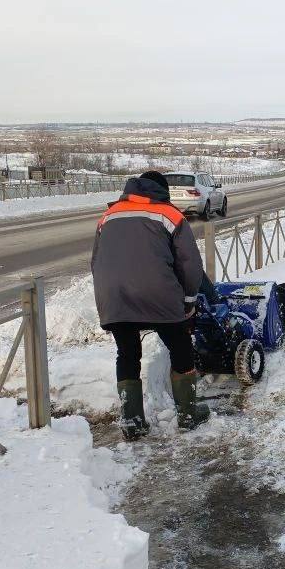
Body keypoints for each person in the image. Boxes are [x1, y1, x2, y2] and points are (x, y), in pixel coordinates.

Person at [91, 170, 210, 440]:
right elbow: (190, 265)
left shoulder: (108, 216)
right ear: (161, 191)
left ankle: (132, 421)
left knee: (127, 353)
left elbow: (96, 261)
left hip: (114, 297)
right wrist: (189, 302)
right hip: (159, 295)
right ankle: (188, 414)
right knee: (181, 349)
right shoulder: (170, 215)